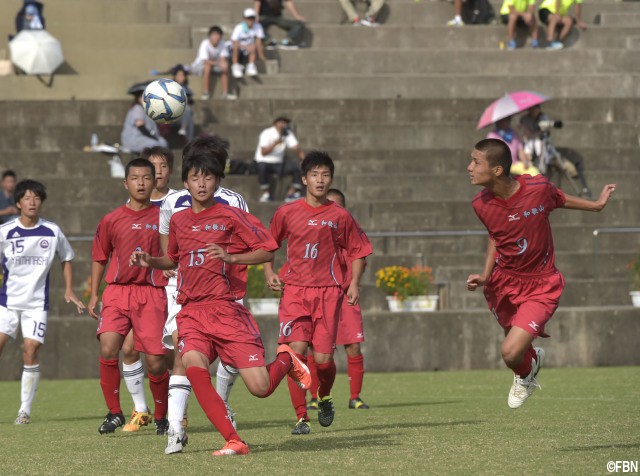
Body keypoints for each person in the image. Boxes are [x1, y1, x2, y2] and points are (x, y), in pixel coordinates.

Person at [130, 150, 311, 457]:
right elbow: (173, 259)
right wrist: (151, 261)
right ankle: (234, 440)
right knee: (193, 366)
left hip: (226, 310)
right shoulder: (178, 219)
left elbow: (267, 250)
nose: (202, 183)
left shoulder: (231, 215)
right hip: (191, 311)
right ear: (185, 182)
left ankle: (287, 359)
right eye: (195, 177)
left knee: (261, 388)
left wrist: (232, 257)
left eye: (208, 177)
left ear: (217, 181)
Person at [466, 138, 616, 409]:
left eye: (476, 162)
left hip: (541, 284)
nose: (469, 167)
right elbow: (495, 235)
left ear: (497, 169)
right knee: (515, 355)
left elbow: (558, 198)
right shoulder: (480, 204)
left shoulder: (538, 187)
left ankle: (524, 374)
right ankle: (529, 367)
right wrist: (486, 275)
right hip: (503, 283)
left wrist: (596, 205)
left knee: (510, 352)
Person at [264, 151, 373, 435]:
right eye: (314, 175)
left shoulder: (340, 215)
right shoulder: (287, 212)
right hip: (295, 291)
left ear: (331, 179)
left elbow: (359, 251)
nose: (320, 180)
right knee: (294, 352)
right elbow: (268, 245)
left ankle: (323, 396)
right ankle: (302, 417)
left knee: (323, 362)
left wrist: (354, 283)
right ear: (304, 179)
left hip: (328, 293)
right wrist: (269, 272)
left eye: (325, 175)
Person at [157, 136, 250, 454]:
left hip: (225, 292)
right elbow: (167, 245)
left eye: (211, 167)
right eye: (197, 168)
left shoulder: (235, 202)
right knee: (184, 355)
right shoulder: (173, 203)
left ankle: (220, 407)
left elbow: (247, 244)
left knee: (234, 360)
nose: (204, 175)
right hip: (184, 292)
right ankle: (175, 429)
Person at [89, 158, 170, 435]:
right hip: (117, 292)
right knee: (109, 347)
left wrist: (170, 267)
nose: (141, 183)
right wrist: (93, 295)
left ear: (154, 182)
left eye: (146, 178)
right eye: (135, 178)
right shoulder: (111, 219)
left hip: (151, 294)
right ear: (126, 183)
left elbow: (174, 255)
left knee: (156, 361)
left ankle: (161, 416)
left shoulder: (164, 217)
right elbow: (100, 258)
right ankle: (114, 413)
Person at [0, 179, 85, 424]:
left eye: (36, 197)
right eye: (27, 198)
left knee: (31, 351)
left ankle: (24, 411)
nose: (32, 202)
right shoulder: (5, 232)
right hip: (7, 303)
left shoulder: (52, 230)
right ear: (17, 203)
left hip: (36, 305)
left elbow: (66, 257)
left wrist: (69, 289)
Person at [118, 147, 177, 433]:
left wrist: (170, 263)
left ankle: (176, 409)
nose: (157, 172)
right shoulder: (133, 204)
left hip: (170, 290)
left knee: (165, 356)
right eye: (152, 167)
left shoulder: (179, 202)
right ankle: (142, 411)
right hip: (144, 291)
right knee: (129, 349)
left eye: (162, 166)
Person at [306, 188, 370, 411]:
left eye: (337, 205)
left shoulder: (351, 231)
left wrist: (353, 282)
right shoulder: (313, 231)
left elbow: (361, 256)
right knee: (317, 350)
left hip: (344, 298)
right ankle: (317, 396)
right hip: (321, 297)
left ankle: (355, 397)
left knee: (353, 346)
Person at [519, 105, 591, 197]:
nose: (534, 111)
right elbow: (523, 134)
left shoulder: (543, 117)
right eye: (532, 109)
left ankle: (562, 191)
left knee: (560, 165)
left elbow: (547, 131)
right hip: (530, 147)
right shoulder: (524, 120)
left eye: (536, 109)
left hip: (544, 147)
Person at [255, 116, 305, 202]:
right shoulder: (267, 133)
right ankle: (265, 193)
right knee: (261, 167)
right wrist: (275, 144)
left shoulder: (287, 133)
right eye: (281, 122)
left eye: (285, 122)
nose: (283, 124)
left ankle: (292, 193)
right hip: (264, 161)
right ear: (276, 123)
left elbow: (296, 148)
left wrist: (305, 160)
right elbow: (263, 152)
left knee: (299, 165)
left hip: (279, 162)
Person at [120, 82, 168, 154]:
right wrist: (152, 137)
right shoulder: (137, 108)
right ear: (138, 98)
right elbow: (140, 126)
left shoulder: (148, 109)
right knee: (156, 145)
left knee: (163, 142)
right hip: (135, 139)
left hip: (144, 138)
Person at [190, 26, 236, 101]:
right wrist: (219, 64)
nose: (216, 37)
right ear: (210, 36)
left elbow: (223, 58)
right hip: (199, 67)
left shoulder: (222, 44)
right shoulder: (205, 44)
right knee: (208, 66)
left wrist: (224, 64)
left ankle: (225, 93)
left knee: (225, 67)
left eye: (218, 35)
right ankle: (206, 92)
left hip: (213, 66)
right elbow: (205, 61)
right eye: (214, 35)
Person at [230, 8, 267, 79]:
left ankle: (251, 66)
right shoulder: (239, 27)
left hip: (249, 49)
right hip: (238, 48)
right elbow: (234, 41)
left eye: (252, 18)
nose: (250, 20)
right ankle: (235, 66)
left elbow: (259, 41)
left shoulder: (258, 26)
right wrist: (245, 47)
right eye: (248, 18)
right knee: (236, 47)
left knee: (253, 46)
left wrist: (261, 55)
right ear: (244, 18)